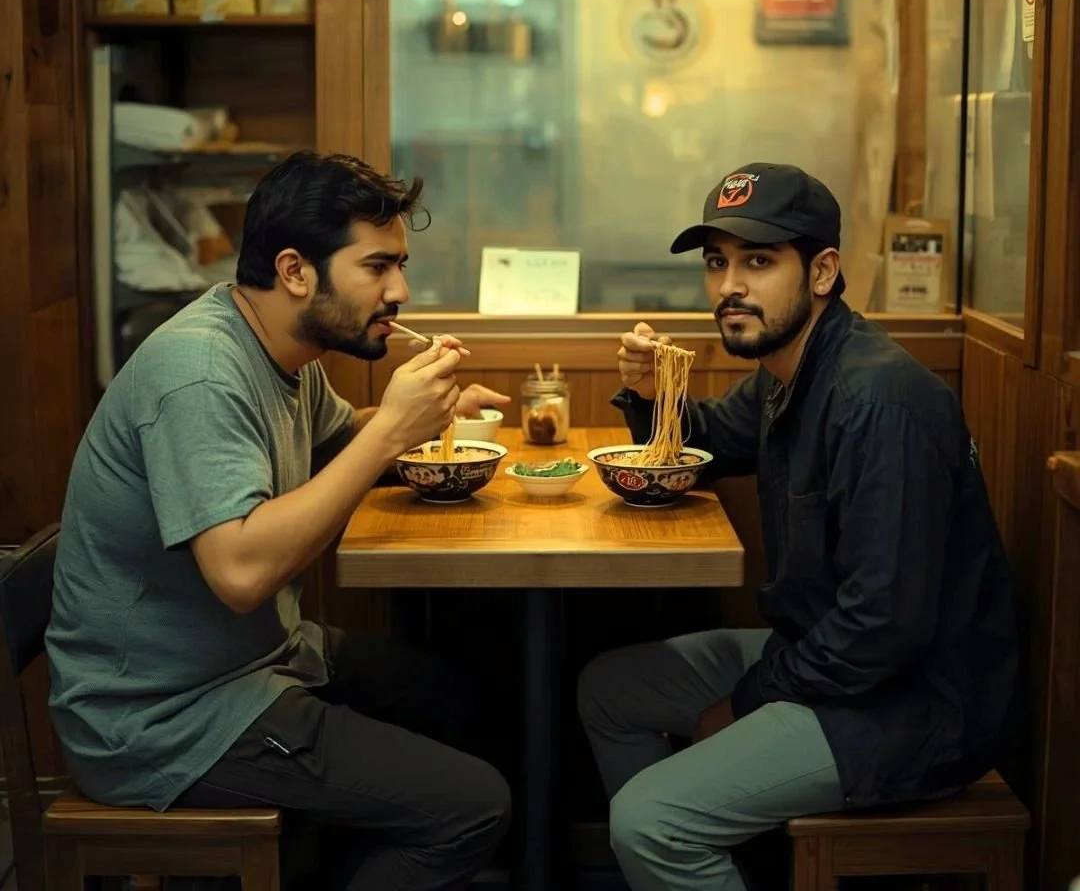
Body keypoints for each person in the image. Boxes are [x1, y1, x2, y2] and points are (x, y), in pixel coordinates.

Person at [46, 151, 514, 891]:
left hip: (260, 661)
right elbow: (241, 572)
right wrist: (393, 431)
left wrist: (431, 415)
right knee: (473, 808)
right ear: (295, 270)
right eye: (378, 267)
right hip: (166, 720)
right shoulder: (199, 371)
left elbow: (338, 439)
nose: (401, 290)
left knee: (463, 697)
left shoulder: (282, 348)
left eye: (401, 265)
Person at [577, 163, 1019, 891]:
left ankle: (683, 841)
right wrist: (649, 391)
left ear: (822, 271)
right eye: (716, 263)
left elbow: (882, 625)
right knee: (610, 688)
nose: (728, 287)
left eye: (757, 261)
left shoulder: (877, 399)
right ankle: (716, 857)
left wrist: (743, 705)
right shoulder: (791, 370)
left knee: (646, 820)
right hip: (827, 656)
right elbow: (709, 442)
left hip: (911, 707)